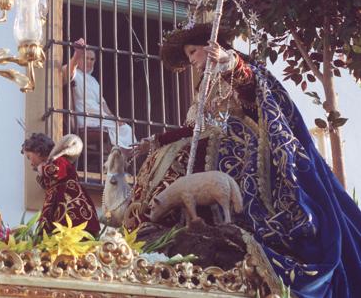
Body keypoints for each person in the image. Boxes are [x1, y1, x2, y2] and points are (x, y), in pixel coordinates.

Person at [126, 23, 361, 298]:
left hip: (238, 143)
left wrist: (230, 63)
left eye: (192, 52)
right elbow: (195, 127)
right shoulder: (203, 85)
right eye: (188, 56)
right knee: (169, 155)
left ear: (207, 46)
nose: (191, 60)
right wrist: (155, 142)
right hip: (205, 141)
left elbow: (252, 89)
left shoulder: (233, 63)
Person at [62, 38, 137, 153]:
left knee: (125, 128)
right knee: (124, 130)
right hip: (85, 117)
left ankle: (119, 159)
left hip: (100, 116)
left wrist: (115, 118)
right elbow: (68, 73)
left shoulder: (94, 81)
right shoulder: (75, 74)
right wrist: (77, 54)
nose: (89, 61)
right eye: (86, 58)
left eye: (92, 59)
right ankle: (117, 158)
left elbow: (103, 104)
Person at [21, 133, 100, 237]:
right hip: (55, 204)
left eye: (29, 157)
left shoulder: (59, 160)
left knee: (69, 224)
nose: (30, 163)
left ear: (38, 152)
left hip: (68, 200)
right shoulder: (50, 163)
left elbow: (58, 171)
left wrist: (43, 169)